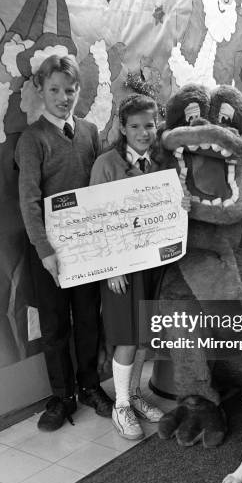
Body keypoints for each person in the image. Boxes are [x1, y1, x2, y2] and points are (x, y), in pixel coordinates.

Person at [15, 55, 113, 432]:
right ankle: (62, 395)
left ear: (78, 91)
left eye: (70, 90)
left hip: (86, 249)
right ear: (40, 90)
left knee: (88, 318)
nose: (63, 97)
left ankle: (90, 385)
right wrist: (45, 252)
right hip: (50, 253)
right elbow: (27, 199)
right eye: (54, 89)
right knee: (55, 326)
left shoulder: (89, 132)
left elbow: (103, 184)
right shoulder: (32, 139)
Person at [90, 94, 190, 441]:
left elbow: (173, 211)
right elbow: (96, 219)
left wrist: (184, 203)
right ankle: (120, 406)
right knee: (127, 337)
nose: (143, 132)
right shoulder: (106, 164)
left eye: (149, 125)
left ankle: (133, 395)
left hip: (154, 263)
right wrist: (111, 269)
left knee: (146, 334)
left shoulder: (165, 163)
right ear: (122, 127)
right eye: (135, 126)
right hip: (121, 268)